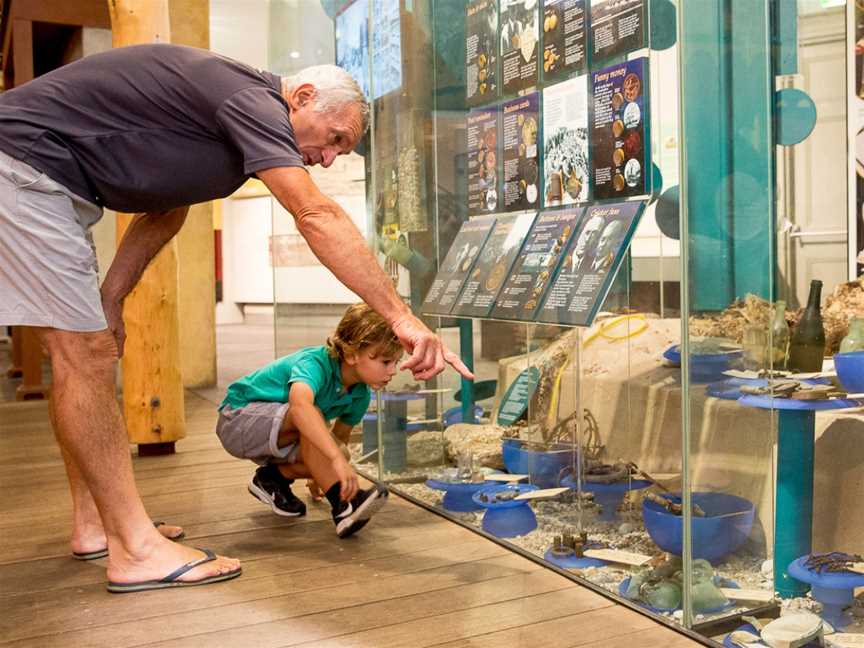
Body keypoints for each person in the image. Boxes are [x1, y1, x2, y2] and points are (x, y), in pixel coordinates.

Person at [0, 43, 472, 593]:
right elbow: (315, 213)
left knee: (84, 352)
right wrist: (402, 318)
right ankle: (134, 548)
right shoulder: (252, 99)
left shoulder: (230, 124)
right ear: (301, 97)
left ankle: (97, 526)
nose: (328, 158)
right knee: (83, 356)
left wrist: (112, 298)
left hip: (41, 180)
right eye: (335, 139)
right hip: (25, 170)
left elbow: (165, 210)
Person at [218, 303, 399, 538]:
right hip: (237, 421)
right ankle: (346, 503)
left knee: (341, 452)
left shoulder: (360, 394)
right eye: (386, 362)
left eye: (396, 361)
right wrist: (333, 461)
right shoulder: (314, 363)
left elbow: (338, 440)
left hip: (276, 432)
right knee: (310, 417)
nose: (393, 370)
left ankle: (274, 480)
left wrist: (323, 474)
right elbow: (300, 406)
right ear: (352, 353)